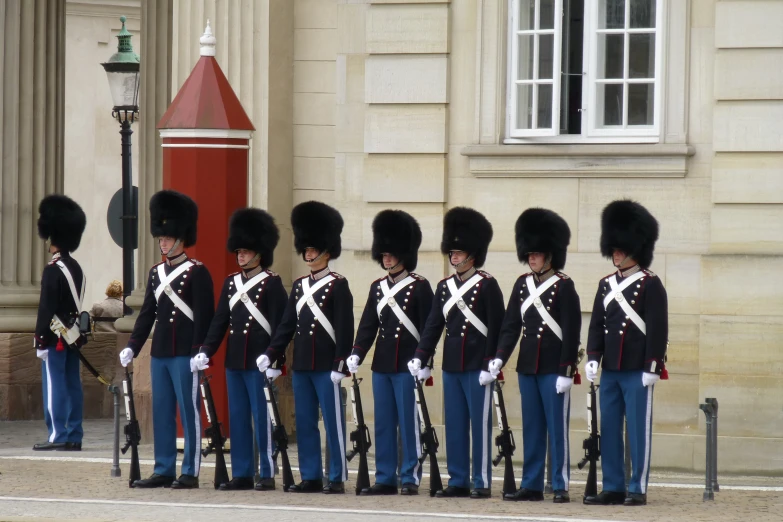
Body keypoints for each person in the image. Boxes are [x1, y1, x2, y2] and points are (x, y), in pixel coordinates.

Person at [118, 190, 214, 490]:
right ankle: (163, 468)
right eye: (160, 238)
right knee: (162, 413)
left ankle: (190, 470)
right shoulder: (156, 273)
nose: (162, 242)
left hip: (185, 352)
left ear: (180, 238)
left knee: (189, 412)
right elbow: (147, 313)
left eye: (167, 237)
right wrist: (133, 345)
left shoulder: (197, 272)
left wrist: (200, 351)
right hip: (160, 351)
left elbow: (204, 316)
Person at [256, 201, 354, 494]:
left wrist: (340, 363)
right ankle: (311, 475)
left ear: (327, 251)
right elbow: (287, 325)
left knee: (333, 423)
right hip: (303, 365)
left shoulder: (338, 284)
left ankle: (335, 476)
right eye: (306, 250)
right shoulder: (299, 286)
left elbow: (344, 329)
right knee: (306, 423)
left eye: (313, 250)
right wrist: (271, 354)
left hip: (327, 365)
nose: (309, 255)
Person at [408, 207, 505, 499]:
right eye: (452, 252)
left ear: (472, 255)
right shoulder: (444, 287)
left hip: (478, 367)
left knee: (479, 425)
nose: (454, 256)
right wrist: (421, 355)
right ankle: (459, 479)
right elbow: (433, 325)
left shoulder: (487, 285)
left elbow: (497, 327)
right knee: (455, 425)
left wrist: (491, 364)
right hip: (452, 366)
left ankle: (481, 481)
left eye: (459, 252)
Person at [490, 208, 581, 503]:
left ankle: (560, 483)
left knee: (557, 429)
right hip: (528, 366)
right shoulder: (522, 284)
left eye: (537, 253)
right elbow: (511, 326)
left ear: (550, 255)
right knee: (532, 429)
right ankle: (531, 484)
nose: (532, 258)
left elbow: (571, 330)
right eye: (529, 253)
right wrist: (500, 356)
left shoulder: (565, 287)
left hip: (554, 369)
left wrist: (567, 371)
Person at [193, 208, 287, 491]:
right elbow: (220, 321)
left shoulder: (272, 284)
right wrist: (206, 350)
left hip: (259, 362)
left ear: (259, 253)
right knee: (238, 419)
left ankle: (267, 473)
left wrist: (275, 359)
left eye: (246, 251)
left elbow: (282, 326)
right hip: (235, 361)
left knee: (262, 418)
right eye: (239, 251)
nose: (241, 256)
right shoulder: (231, 283)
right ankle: (243, 473)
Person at [583, 200, 668, 507]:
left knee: (637, 429)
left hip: (636, 368)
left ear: (634, 249)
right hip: (612, 369)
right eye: (614, 249)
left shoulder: (650, 284)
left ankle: (637, 486)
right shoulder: (606, 285)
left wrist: (653, 365)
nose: (616, 254)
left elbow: (658, 328)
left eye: (620, 249)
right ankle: (614, 485)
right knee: (608, 428)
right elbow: (597, 324)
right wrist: (593, 356)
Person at [347, 210, 434, 496]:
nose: (386, 258)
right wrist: (357, 353)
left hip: (407, 365)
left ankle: (409, 476)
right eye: (383, 254)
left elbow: (429, 329)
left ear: (403, 254)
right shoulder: (377, 288)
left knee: (409, 423)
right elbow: (368, 325)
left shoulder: (420, 287)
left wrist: (425, 362)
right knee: (383, 423)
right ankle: (385, 477)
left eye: (391, 254)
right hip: (382, 365)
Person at [33, 195, 87, 452]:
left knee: (55, 385)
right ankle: (74, 433)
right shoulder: (76, 267)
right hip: (72, 335)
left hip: (55, 338)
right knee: (72, 383)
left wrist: (40, 338)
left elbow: (46, 308)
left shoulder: (53, 269)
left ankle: (58, 434)